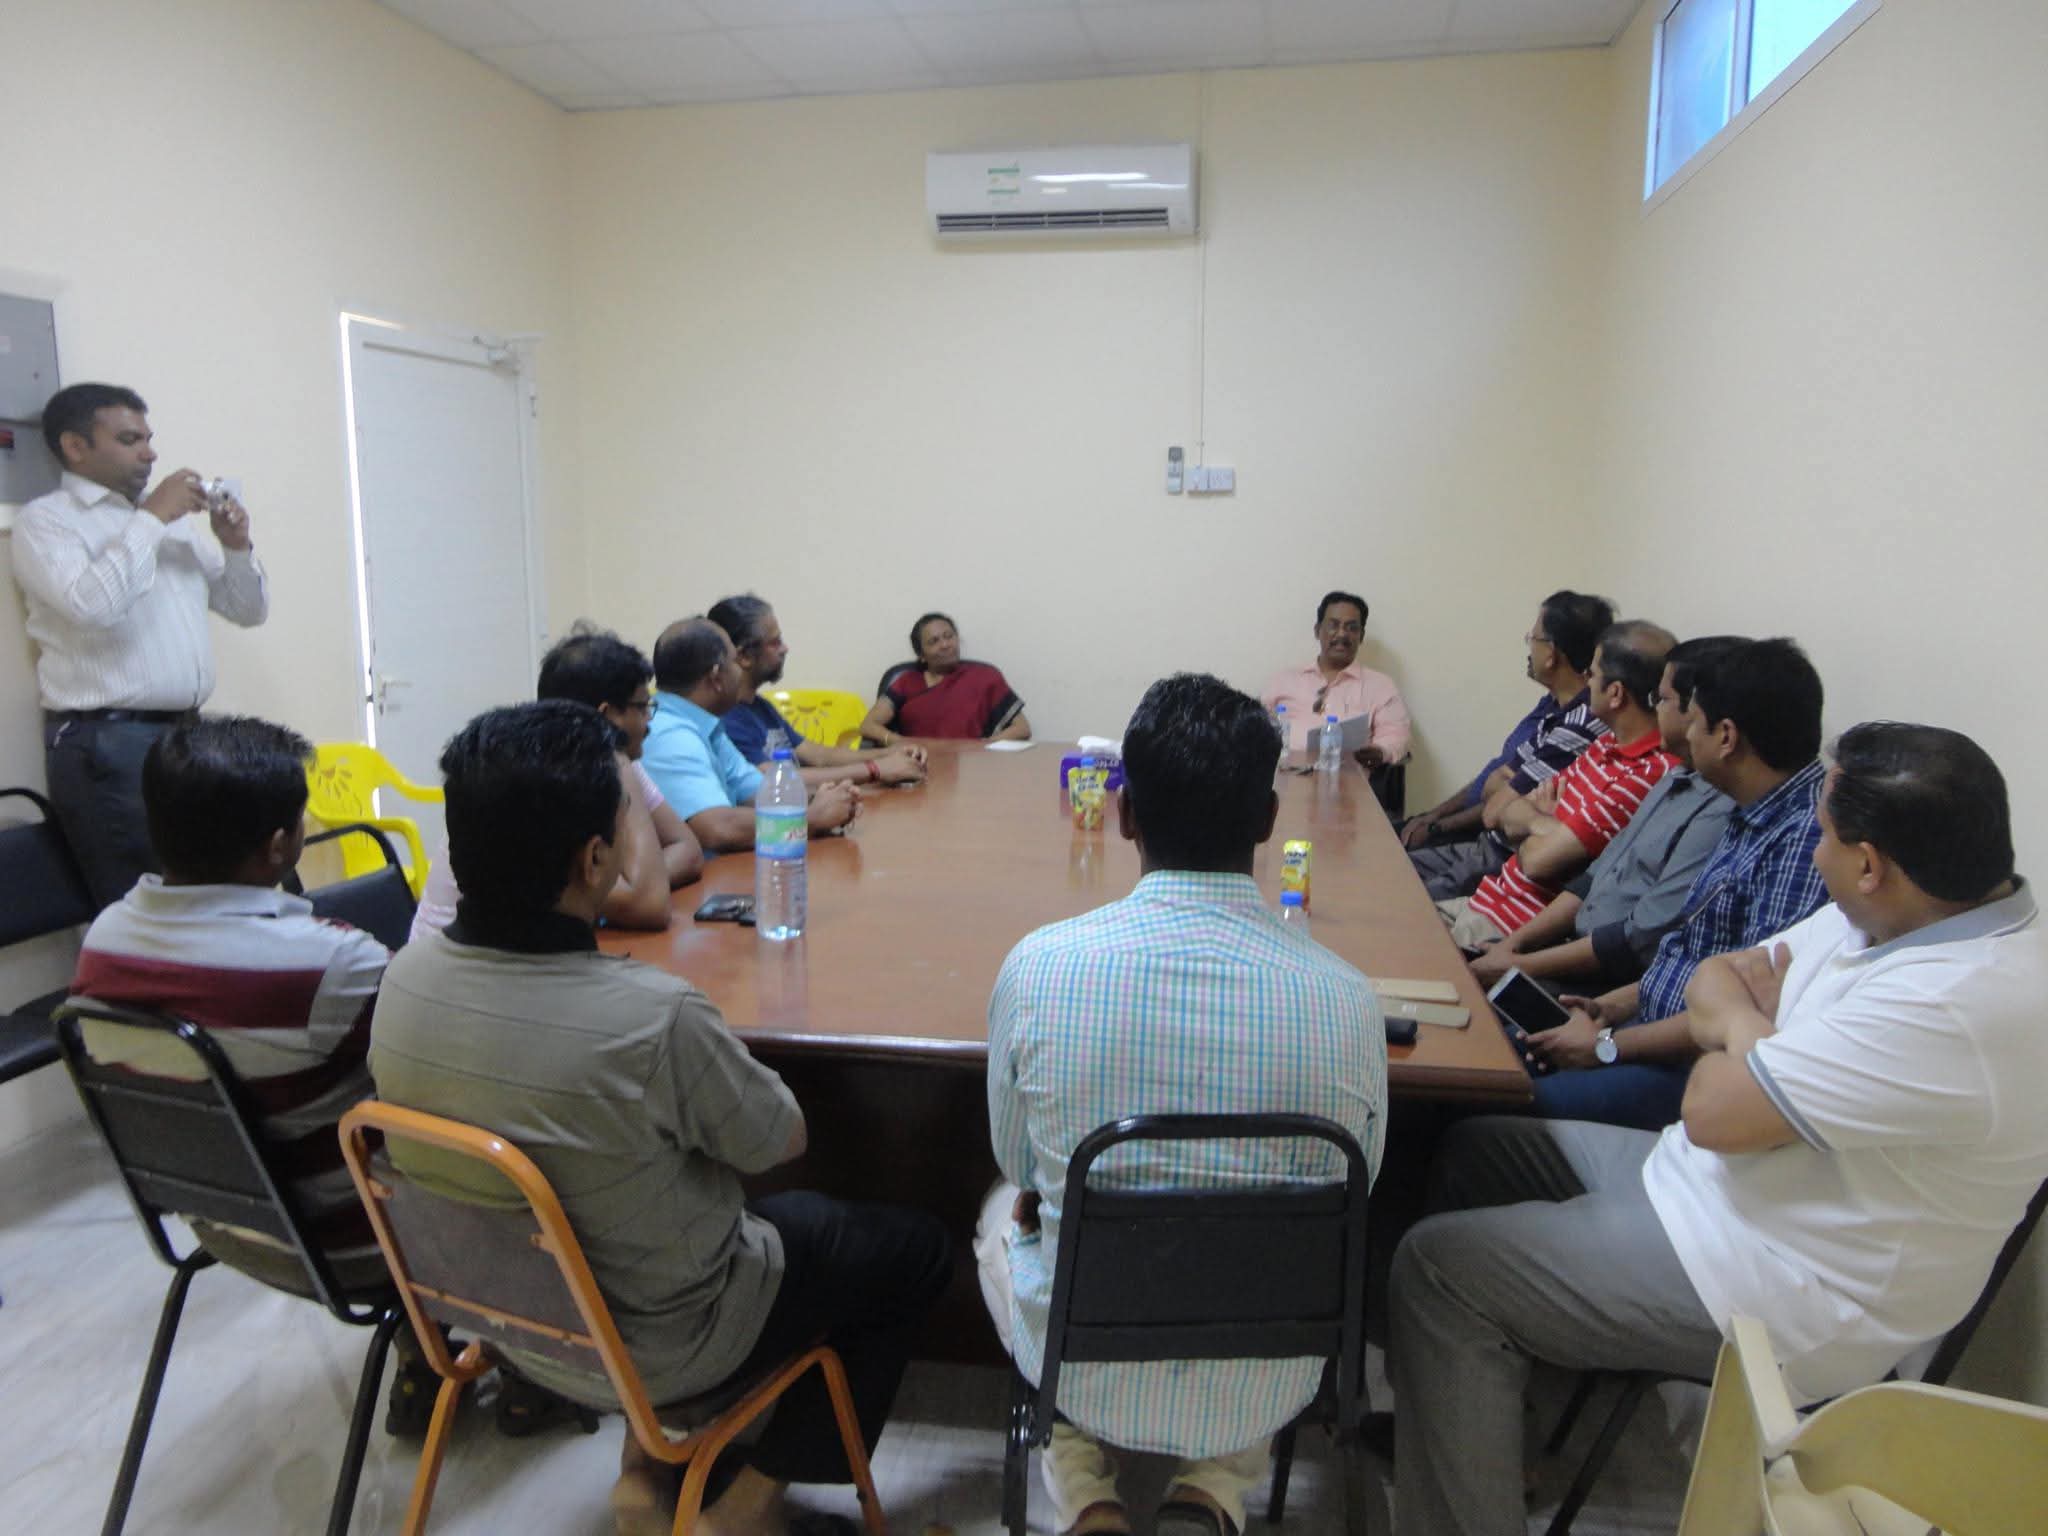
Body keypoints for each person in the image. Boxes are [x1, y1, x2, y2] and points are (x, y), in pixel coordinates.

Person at [1386, 721, 2048, 1536]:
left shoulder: (1960, 1000)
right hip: (1720, 1196)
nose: (1813, 858)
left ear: (1871, 865)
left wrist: (1737, 1033)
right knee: (1476, 1148)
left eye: (1826, 842)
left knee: (1437, 1272)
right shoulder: (1896, 910)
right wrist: (1748, 1033)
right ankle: (1493, 1441)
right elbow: (1717, 975)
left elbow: (1709, 1108)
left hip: (1785, 1288)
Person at [368, 701, 953, 1536]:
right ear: (597, 856)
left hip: (499, 1321)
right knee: (910, 1252)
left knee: (639, 1195)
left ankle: (644, 1470)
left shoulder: (400, 982)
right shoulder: (652, 1018)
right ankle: (747, 1509)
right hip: (668, 1343)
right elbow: (779, 1140)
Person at [980, 673, 1385, 1536]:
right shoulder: (1347, 998)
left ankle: (1090, 1502)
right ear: (1269, 825)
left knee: (1006, 1209)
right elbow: (1360, 1191)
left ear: (1125, 815)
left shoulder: (1042, 967)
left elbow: (1017, 1164)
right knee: (1272, 1219)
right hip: (1269, 1376)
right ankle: (1211, 1491)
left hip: (1082, 1367)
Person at [1518, 638, 1829, 1129]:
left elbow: (1741, 1012)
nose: (1679, 725)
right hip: (1639, 1024)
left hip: (1688, 1068)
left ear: (1725, 737)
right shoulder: (1752, 809)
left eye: (1691, 715)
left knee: (1500, 1098)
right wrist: (1609, 1007)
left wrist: (1604, 1047)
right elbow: (1690, 951)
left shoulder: (1801, 842)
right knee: (1504, 1039)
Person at [11, 383, 269, 909]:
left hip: (186, 736)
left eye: (149, 438)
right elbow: (91, 606)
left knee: (201, 892)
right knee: (139, 906)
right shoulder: (48, 521)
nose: (149, 452)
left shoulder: (170, 525)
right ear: (75, 447)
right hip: (107, 743)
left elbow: (248, 610)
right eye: (130, 439)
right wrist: (150, 518)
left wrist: (236, 546)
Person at [1469, 637, 1744, 990]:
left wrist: (1521, 963)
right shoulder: (1674, 776)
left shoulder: (1690, 791)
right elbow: (1590, 878)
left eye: (1662, 700)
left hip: (1588, 972)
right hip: (1539, 938)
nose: (1656, 712)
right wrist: (1511, 949)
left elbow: (1637, 935)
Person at [410, 626, 706, 941]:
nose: (650, 721)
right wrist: (637, 884)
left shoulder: (606, 764)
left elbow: (687, 848)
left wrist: (645, 879)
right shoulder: (539, 781)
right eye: (643, 707)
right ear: (607, 716)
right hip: (463, 974)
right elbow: (649, 904)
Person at [1438, 622, 1677, 951]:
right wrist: (1544, 824)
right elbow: (1506, 813)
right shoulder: (1605, 744)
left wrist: (1533, 823)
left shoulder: (1647, 774)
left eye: (1592, 674)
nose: (1586, 681)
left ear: (1616, 693)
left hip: (1504, 930)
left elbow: (1539, 862)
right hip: (1481, 903)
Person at [1405, 592, 1615, 900]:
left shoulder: (1581, 724)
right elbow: (1494, 784)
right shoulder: (1553, 709)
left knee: (1400, 899)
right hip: (1487, 845)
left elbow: (1494, 809)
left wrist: (1501, 794)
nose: (1528, 645)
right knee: (1390, 870)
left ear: (1552, 653)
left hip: (1505, 862)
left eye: (1533, 637)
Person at [641, 618, 859, 854]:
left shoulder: (704, 724)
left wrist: (829, 798)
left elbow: (759, 792)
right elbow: (717, 829)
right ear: (716, 678)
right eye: (735, 661)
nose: (741, 671)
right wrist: (810, 819)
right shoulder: (668, 734)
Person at [705, 593, 929, 787]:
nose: (785, 648)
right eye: (775, 642)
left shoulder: (760, 707)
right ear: (743, 656)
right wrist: (875, 769)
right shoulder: (726, 718)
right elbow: (773, 781)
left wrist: (891, 753)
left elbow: (819, 756)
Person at [1259, 589, 1412, 769]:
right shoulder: (1284, 681)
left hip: (1352, 785)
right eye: (1333, 625)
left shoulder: (1380, 686)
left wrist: (1379, 751)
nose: (1341, 634)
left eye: (1351, 627)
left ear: (1361, 636)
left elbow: (1397, 734)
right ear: (1317, 631)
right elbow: (1255, 727)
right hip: (1287, 781)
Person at [859, 612, 1029, 743]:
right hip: (919, 763)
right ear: (921, 655)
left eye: (949, 636)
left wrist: (983, 748)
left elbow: (1021, 729)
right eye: (934, 641)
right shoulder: (907, 682)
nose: (945, 645)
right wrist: (901, 743)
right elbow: (868, 725)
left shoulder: (986, 677)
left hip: (973, 767)